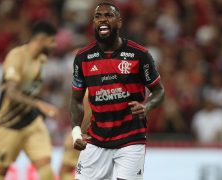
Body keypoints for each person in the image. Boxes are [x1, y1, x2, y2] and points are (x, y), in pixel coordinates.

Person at [70, 2, 165, 180]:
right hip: (96, 139)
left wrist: (147, 107)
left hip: (131, 138)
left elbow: (159, 91)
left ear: (119, 22)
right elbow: (75, 99)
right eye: (98, 16)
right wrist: (76, 132)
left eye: (109, 15)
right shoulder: (82, 58)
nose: (103, 20)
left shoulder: (140, 55)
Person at [0, 21, 58, 180]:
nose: (55, 45)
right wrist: (39, 104)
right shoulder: (16, 56)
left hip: (32, 122)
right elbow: (11, 92)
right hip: (9, 123)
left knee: (45, 167)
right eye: (52, 41)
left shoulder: (41, 60)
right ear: (41, 41)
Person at [59, 90, 91, 180]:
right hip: (106, 136)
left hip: (84, 137)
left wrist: (75, 134)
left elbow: (84, 115)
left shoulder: (87, 90)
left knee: (65, 171)